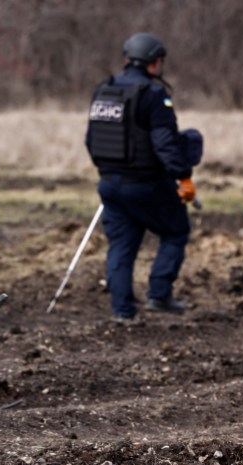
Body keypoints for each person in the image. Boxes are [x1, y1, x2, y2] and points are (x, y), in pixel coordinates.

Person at [85, 32, 199, 321]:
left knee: (121, 246)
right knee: (175, 231)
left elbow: (91, 140)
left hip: (109, 184)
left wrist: (111, 171)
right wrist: (183, 177)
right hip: (147, 184)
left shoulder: (104, 90)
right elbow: (165, 145)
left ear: (127, 58)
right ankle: (159, 296)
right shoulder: (153, 94)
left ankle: (123, 312)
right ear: (154, 62)